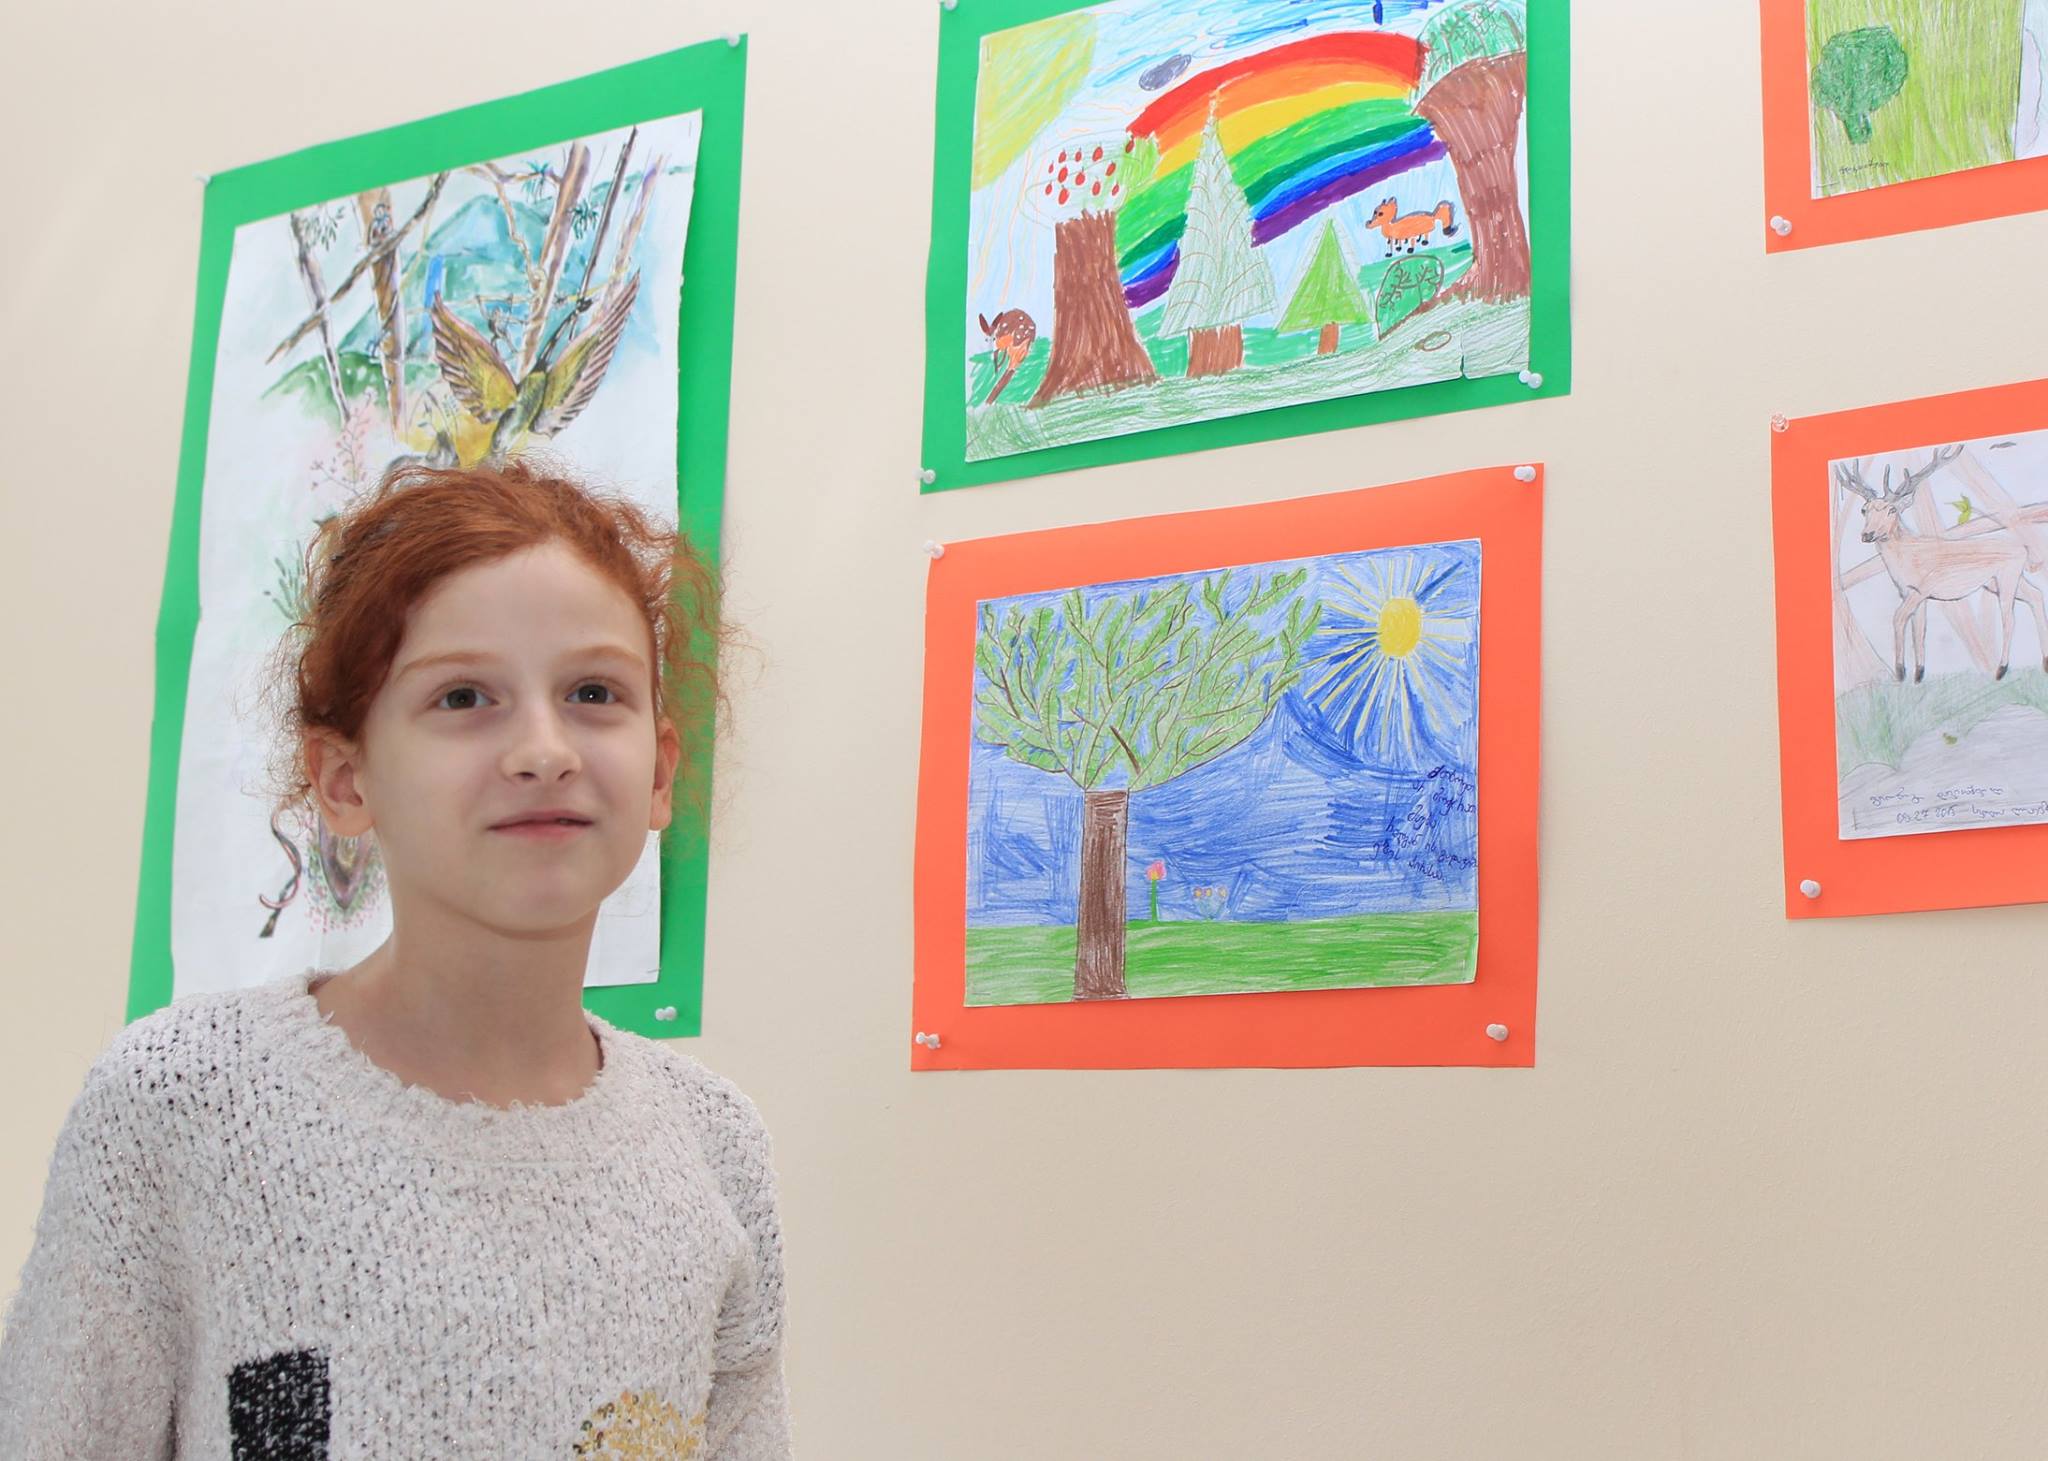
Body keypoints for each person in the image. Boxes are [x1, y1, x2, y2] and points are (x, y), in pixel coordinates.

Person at [0, 459, 790, 1458]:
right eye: (464, 697)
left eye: (593, 692)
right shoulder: (180, 1103)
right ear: (345, 780)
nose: (544, 749)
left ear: (661, 771)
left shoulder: (714, 1144)